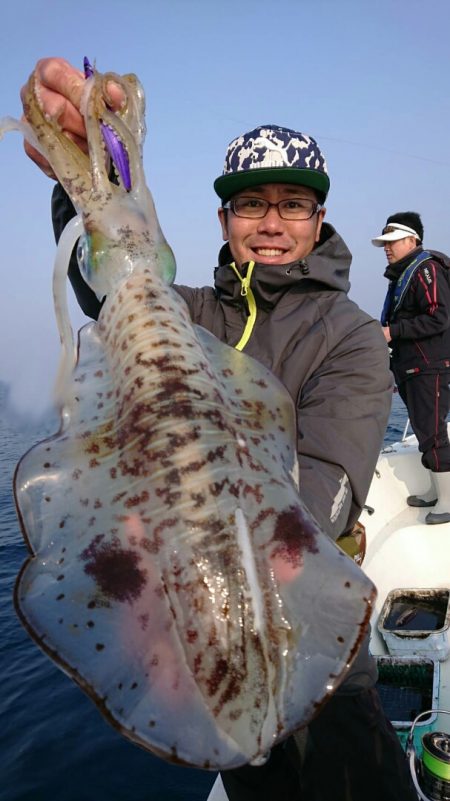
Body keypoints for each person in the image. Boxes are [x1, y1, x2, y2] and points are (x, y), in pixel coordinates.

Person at [21, 59, 417, 801]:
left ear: (319, 220)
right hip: (195, 645)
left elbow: (327, 488)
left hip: (322, 661)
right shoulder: (192, 312)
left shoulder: (351, 335)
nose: (271, 223)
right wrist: (86, 168)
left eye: (293, 204)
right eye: (251, 205)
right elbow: (108, 282)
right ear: (223, 220)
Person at [372, 212, 450, 525]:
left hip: (428, 367)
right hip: (412, 368)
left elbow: (439, 317)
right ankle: (436, 491)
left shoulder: (425, 270)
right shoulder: (404, 274)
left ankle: (447, 500)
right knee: (424, 431)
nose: (387, 248)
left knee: (433, 435)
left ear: (411, 240)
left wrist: (393, 332)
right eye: (384, 244)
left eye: (392, 242)